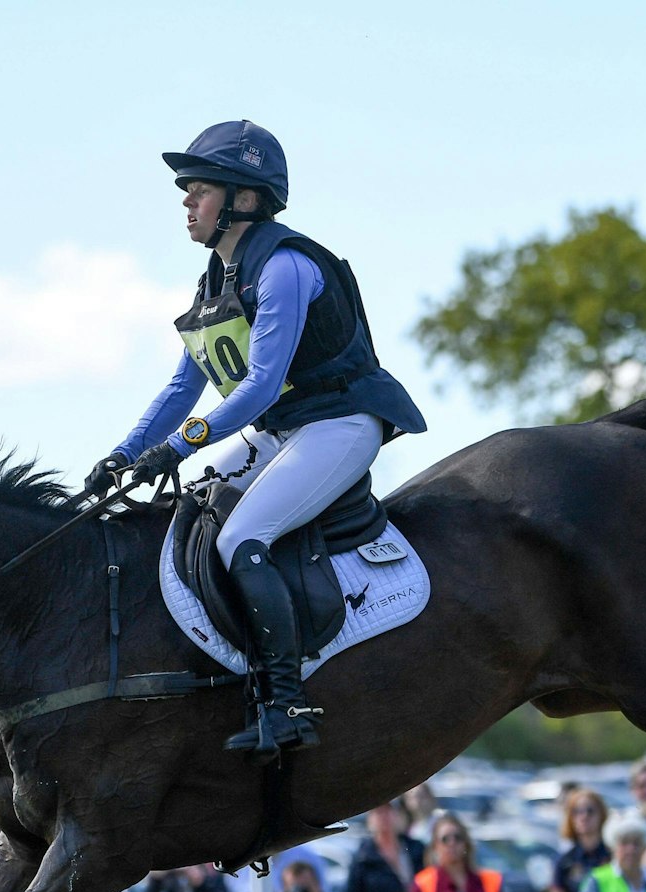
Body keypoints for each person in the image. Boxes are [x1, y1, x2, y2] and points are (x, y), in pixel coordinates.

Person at [86, 119, 426, 759]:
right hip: (283, 431)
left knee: (245, 535)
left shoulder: (286, 267)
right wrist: (126, 454)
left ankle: (287, 700)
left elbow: (261, 386)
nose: (186, 200)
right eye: (185, 190)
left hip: (340, 423)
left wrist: (178, 446)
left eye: (199, 189)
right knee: (182, 510)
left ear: (243, 198)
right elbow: (183, 389)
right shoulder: (217, 278)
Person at [406, 813, 507, 892]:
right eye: (445, 839)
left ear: (465, 843)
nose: (452, 843)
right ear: (435, 846)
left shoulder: (490, 880)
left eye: (457, 838)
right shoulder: (423, 883)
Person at [342, 800, 424, 892]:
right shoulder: (362, 858)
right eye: (378, 812)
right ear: (370, 818)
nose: (384, 817)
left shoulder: (416, 849)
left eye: (388, 811)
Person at [548, 788, 611, 892]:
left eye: (590, 811)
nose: (584, 816)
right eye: (577, 811)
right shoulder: (564, 861)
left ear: (602, 815)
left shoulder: (613, 856)